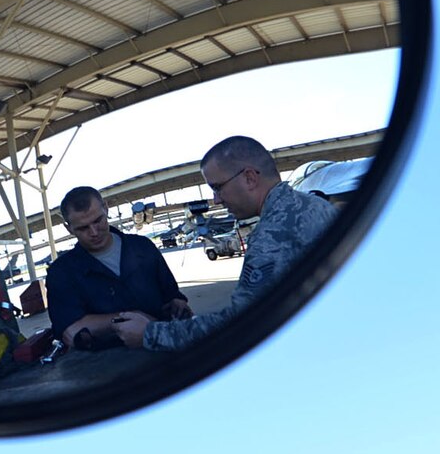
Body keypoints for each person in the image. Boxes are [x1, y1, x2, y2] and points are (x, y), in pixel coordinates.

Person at [113, 135, 338, 351]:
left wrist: (150, 334)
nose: (216, 200)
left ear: (249, 178)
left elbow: (241, 326)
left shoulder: (271, 235)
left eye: (218, 187)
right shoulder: (314, 205)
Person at [46, 186, 191, 349]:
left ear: (106, 209)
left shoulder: (143, 247)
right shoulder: (61, 273)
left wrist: (177, 304)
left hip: (164, 350)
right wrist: (131, 318)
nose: (94, 232)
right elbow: (71, 331)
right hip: (109, 366)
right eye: (83, 228)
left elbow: (171, 294)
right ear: (69, 228)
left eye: (98, 220)